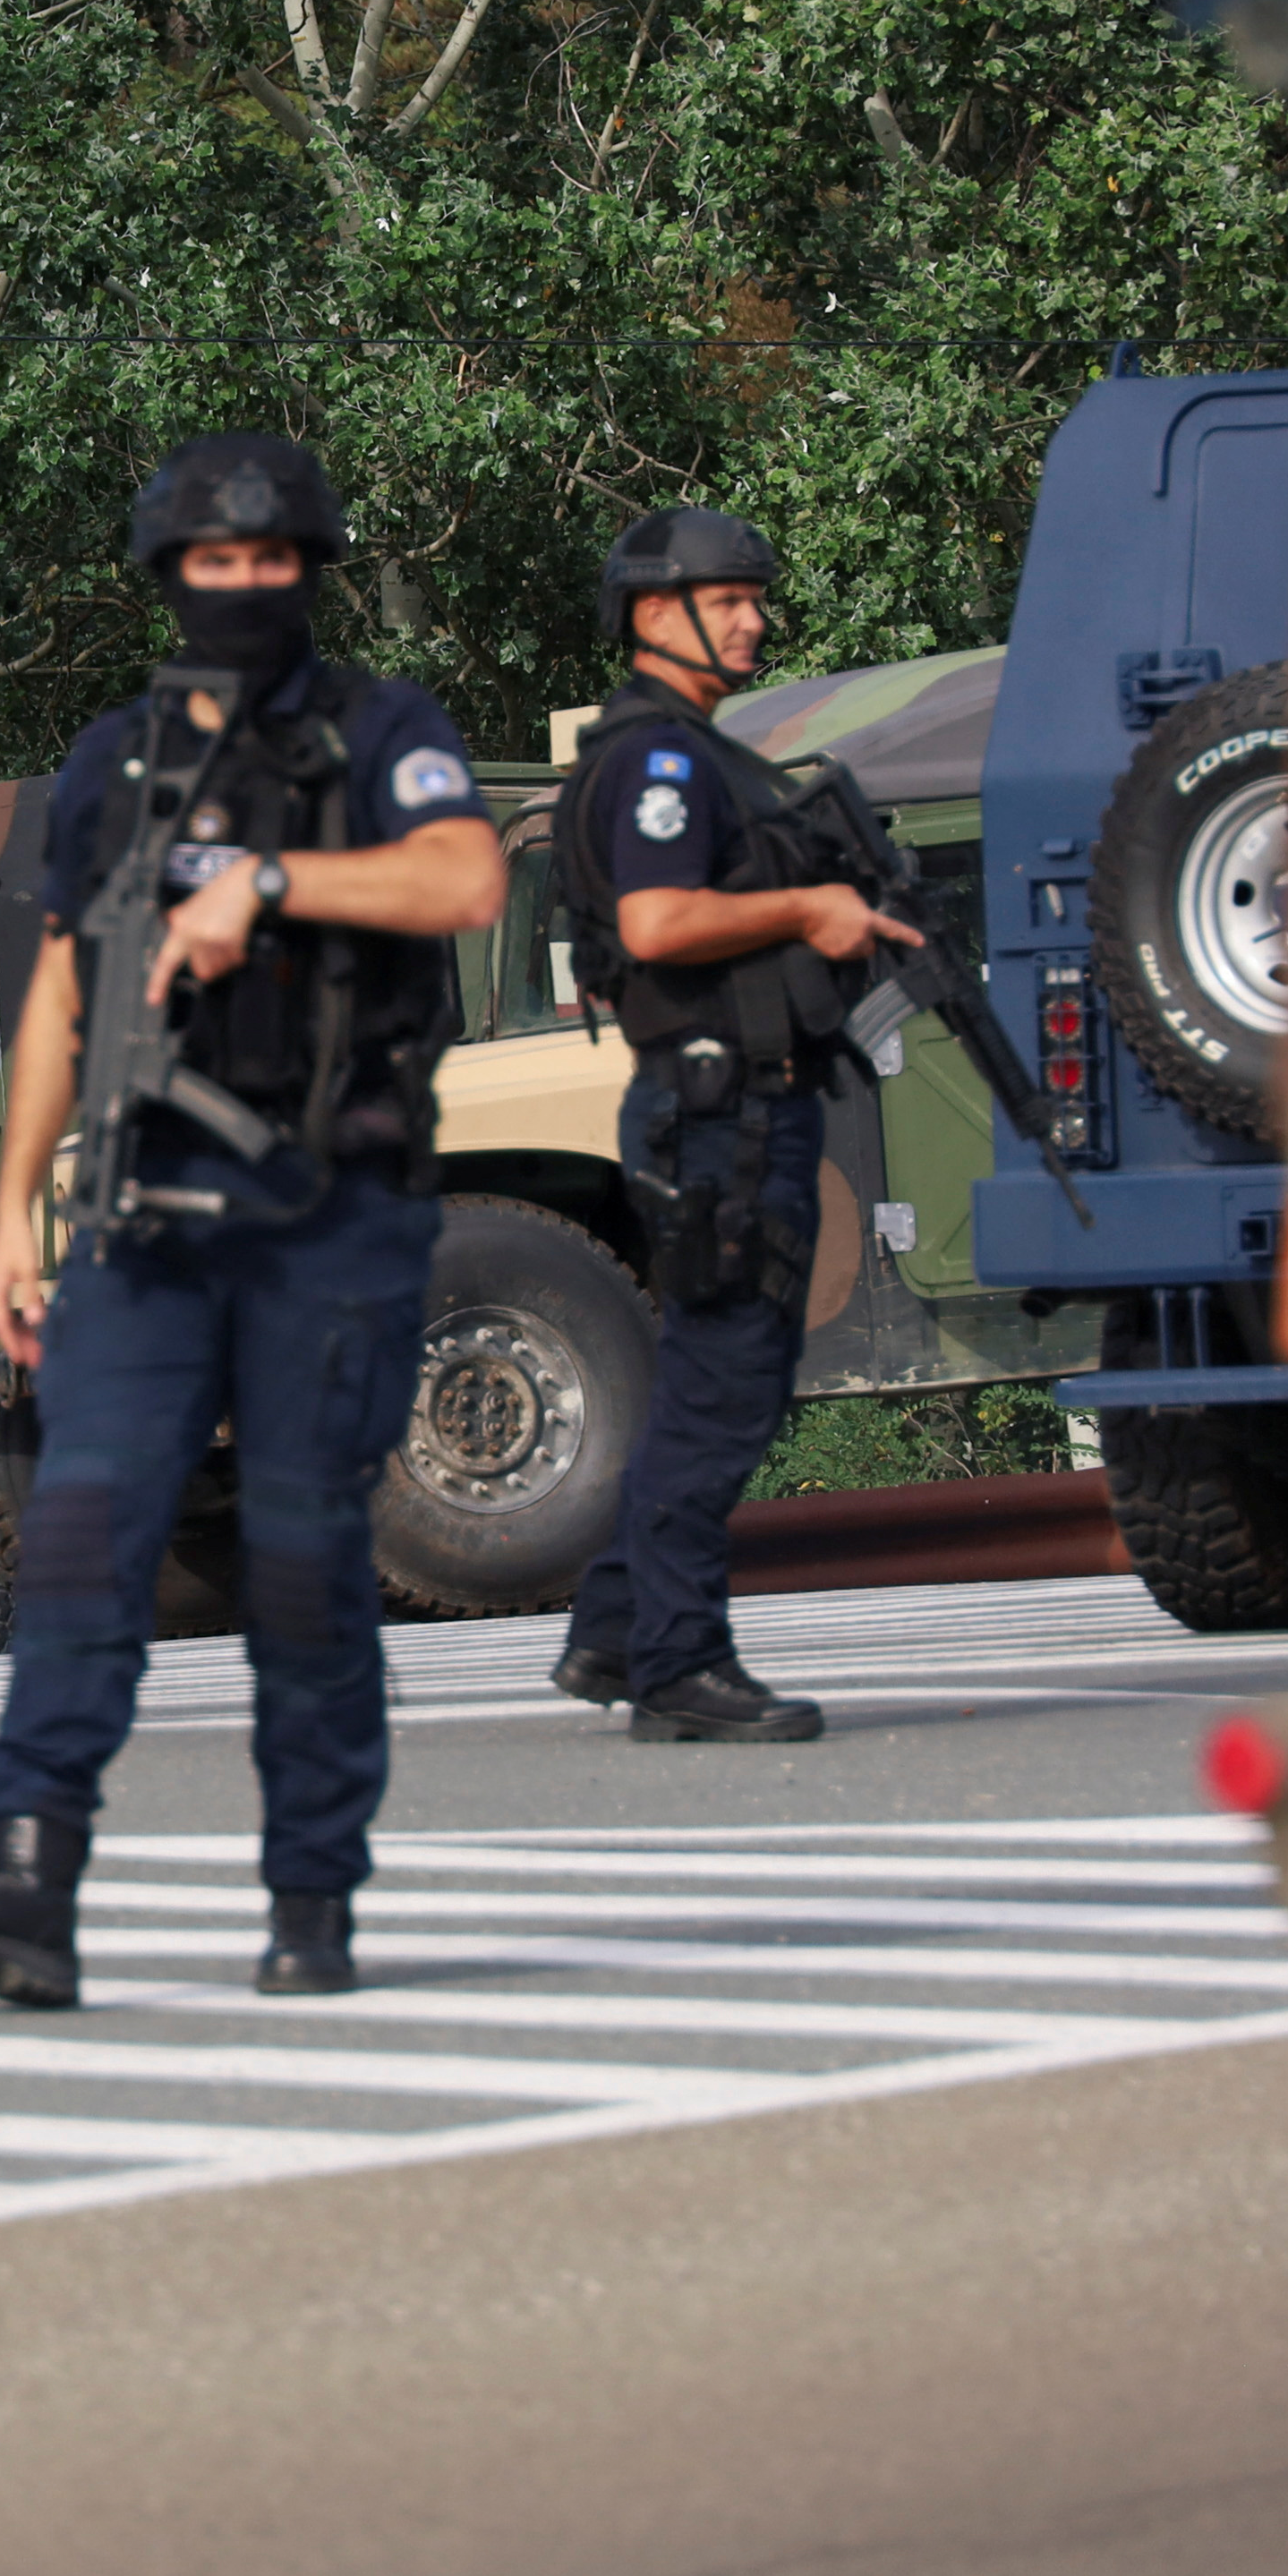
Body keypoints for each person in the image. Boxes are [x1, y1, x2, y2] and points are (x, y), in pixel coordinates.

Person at [0, 432, 503, 2005]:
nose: (244, 585)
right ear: (172, 576)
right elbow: (69, 985)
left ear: (310, 569)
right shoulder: (118, 760)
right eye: (215, 564)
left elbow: (465, 877)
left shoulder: (375, 729)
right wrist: (11, 1206)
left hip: (330, 1215)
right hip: (143, 1223)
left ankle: (312, 1898)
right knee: (81, 1536)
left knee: (301, 1563)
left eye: (273, 561)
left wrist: (272, 887)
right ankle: (25, 1874)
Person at [545, 506, 916, 1746]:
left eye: (757, 594)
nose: (755, 616)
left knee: (713, 1370)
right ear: (658, 612)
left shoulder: (693, 753)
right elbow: (654, 925)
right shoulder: (660, 762)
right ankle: (677, 1658)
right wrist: (810, 905)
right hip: (724, 1113)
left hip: (729, 1102)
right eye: (730, 596)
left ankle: (615, 1620)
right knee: (727, 1380)